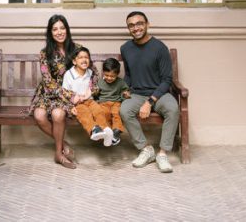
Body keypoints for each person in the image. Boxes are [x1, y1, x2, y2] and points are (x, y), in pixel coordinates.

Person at [120, 10, 178, 173]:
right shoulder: (125, 48)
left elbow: (167, 79)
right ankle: (146, 149)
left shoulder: (159, 48)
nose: (135, 28)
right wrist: (125, 89)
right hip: (137, 93)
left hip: (159, 93)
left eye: (139, 23)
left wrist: (149, 102)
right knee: (124, 110)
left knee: (172, 109)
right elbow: (129, 74)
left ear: (147, 25)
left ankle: (162, 153)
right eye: (131, 25)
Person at [28, 14, 79, 168]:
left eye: (62, 28)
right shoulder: (45, 54)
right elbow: (48, 83)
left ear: (67, 30)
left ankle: (58, 154)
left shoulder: (77, 49)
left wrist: (86, 92)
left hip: (67, 96)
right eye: (55, 29)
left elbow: (91, 72)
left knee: (58, 115)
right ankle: (62, 143)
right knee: (39, 115)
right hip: (49, 93)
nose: (59, 32)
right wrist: (71, 95)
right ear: (50, 33)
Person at [62, 47, 115, 146]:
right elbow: (64, 92)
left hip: (89, 101)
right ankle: (94, 129)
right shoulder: (69, 75)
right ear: (74, 61)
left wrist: (90, 92)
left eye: (86, 57)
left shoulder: (90, 73)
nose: (84, 60)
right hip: (78, 103)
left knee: (98, 110)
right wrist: (71, 105)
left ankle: (106, 129)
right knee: (85, 113)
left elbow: (95, 87)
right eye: (80, 57)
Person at [93, 56, 130, 147]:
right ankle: (107, 133)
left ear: (117, 74)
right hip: (103, 103)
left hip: (115, 102)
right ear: (103, 73)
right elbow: (96, 95)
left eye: (112, 76)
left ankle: (116, 130)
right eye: (107, 75)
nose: (109, 78)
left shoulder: (120, 82)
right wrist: (95, 92)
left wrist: (125, 94)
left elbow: (124, 91)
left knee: (116, 113)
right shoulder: (100, 82)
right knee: (104, 113)